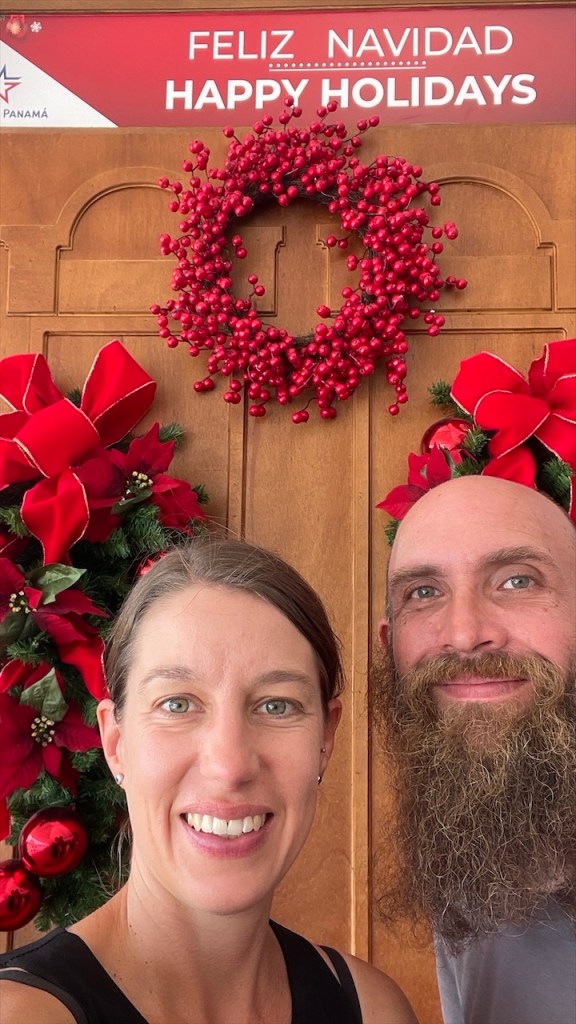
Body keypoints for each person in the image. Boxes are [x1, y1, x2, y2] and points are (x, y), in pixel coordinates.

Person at [0, 537, 418, 1024]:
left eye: (276, 705)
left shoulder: (374, 1010)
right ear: (115, 743)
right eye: (177, 704)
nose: (229, 765)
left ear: (325, 740)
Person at [373, 473, 576, 1024]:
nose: (464, 635)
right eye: (424, 592)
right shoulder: (481, 828)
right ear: (391, 645)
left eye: (517, 581)